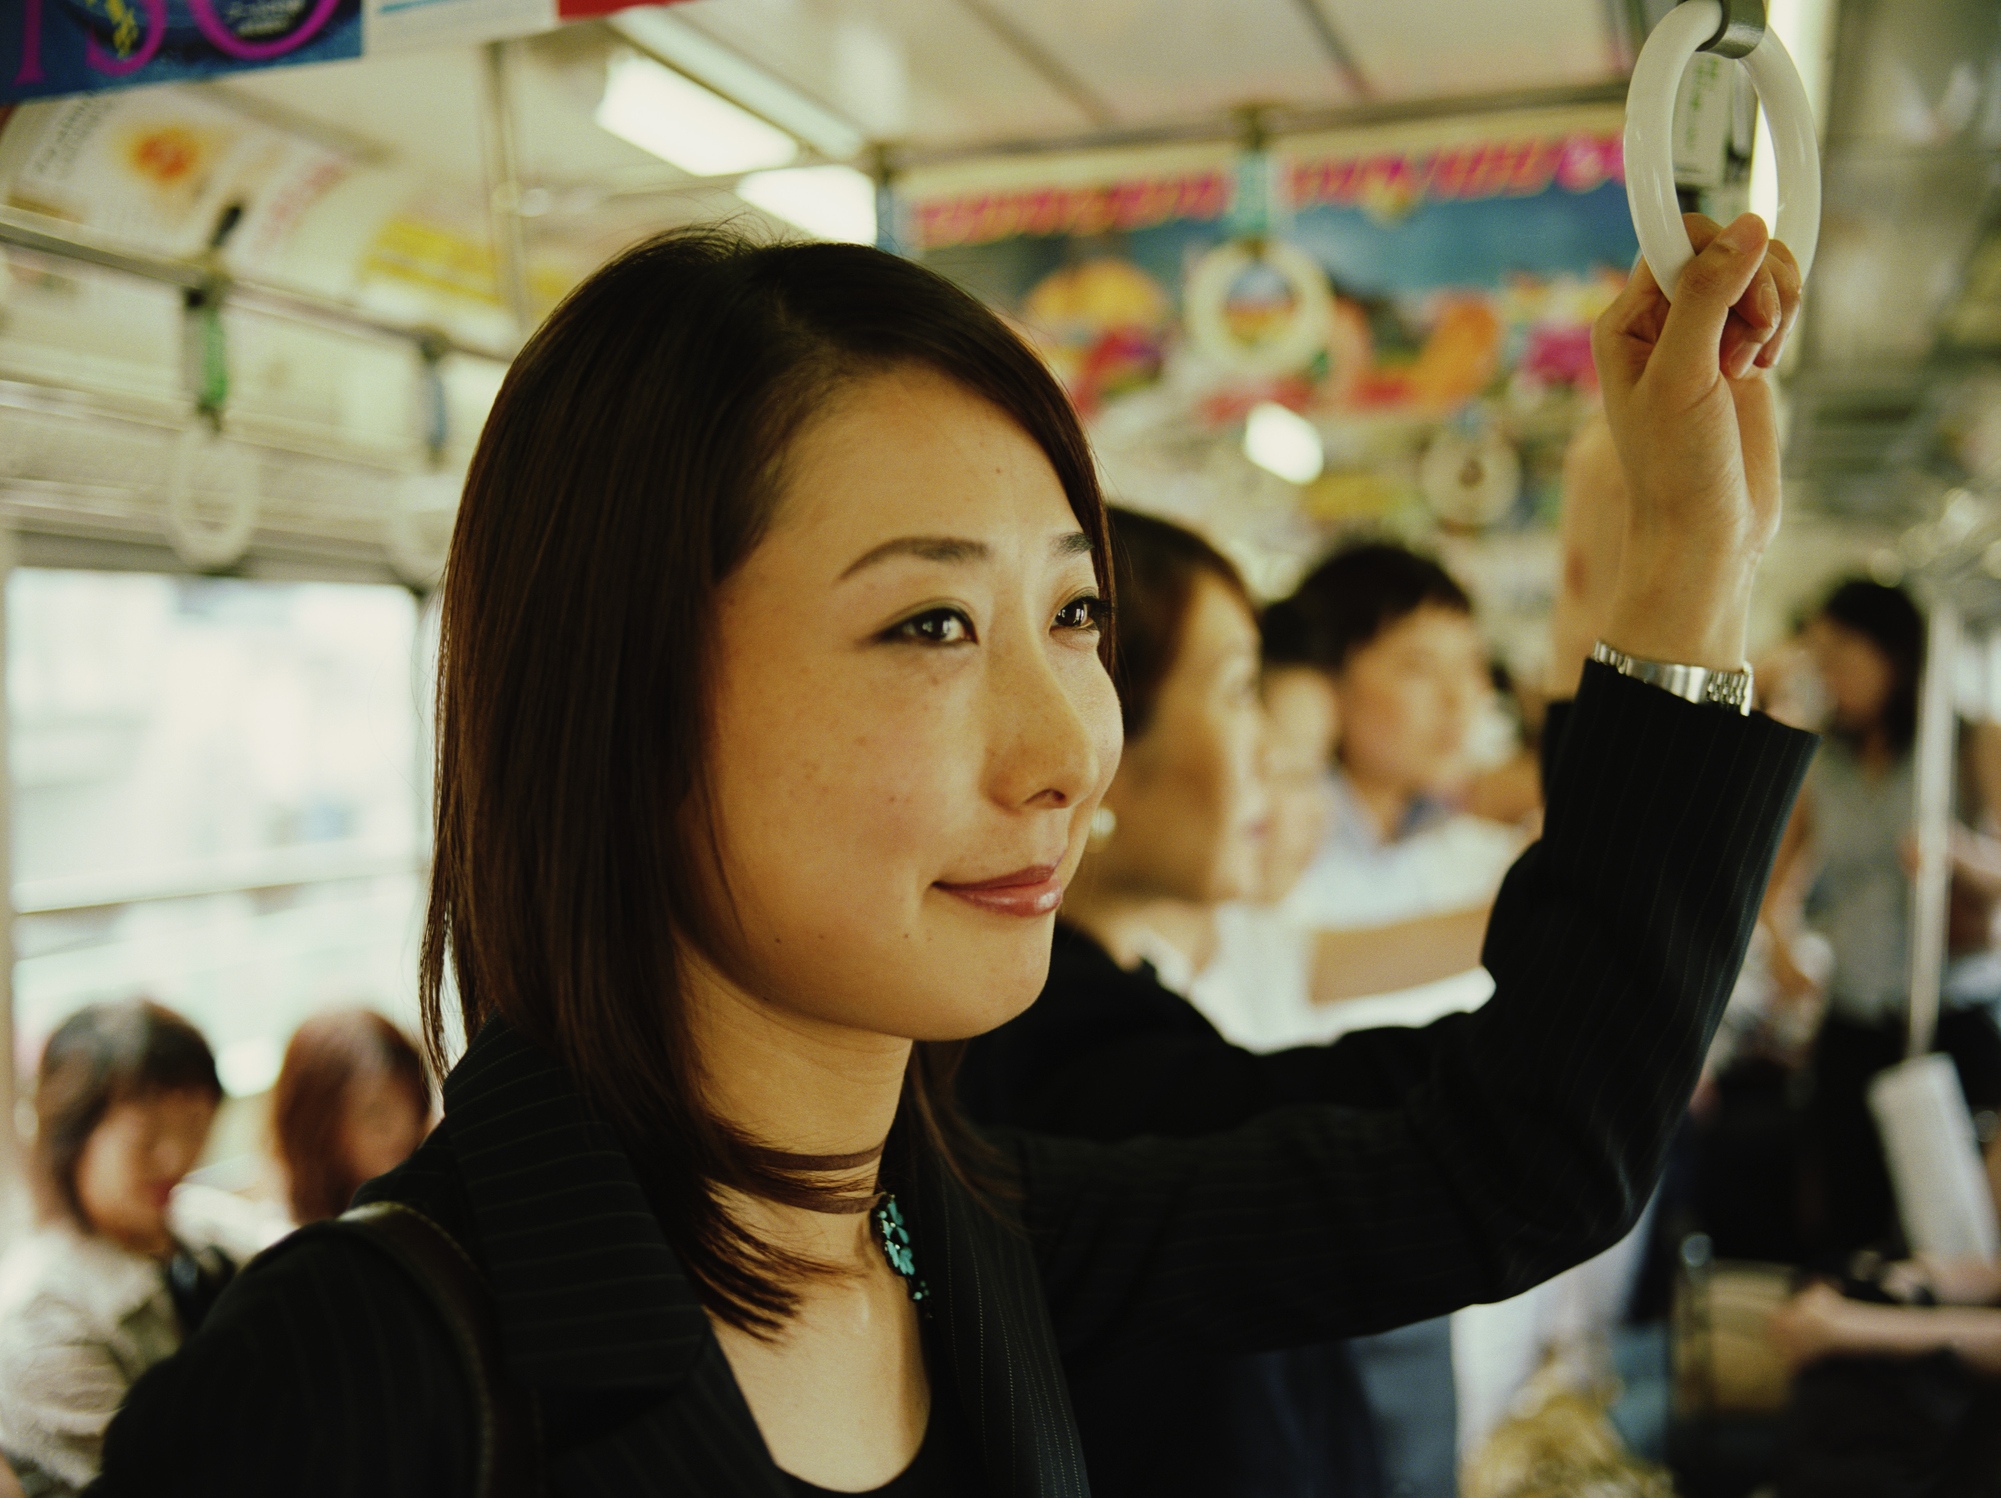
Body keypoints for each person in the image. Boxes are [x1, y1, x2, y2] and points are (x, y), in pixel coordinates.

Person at [97, 211, 1809, 1497]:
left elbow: (1514, 1155)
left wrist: (1689, 567)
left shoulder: (960, 1238)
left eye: (1073, 615)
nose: (1068, 753)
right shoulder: (347, 1385)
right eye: (929, 625)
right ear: (622, 699)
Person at [1764, 579, 2001, 1257]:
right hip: (1853, 1014)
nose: (1829, 676)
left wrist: (1954, 852)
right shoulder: (1823, 759)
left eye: (1843, 656)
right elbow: (1775, 888)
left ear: (1893, 654)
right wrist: (1784, 947)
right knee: (1848, 1209)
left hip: (1948, 1015)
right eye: (1820, 658)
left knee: (1948, 1226)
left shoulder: (1969, 743)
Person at [0, 1001, 246, 1496]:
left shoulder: (196, 1226)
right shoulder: (42, 1317)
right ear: (74, 1136)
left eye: (194, 1127)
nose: (175, 1158)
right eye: (147, 1138)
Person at [272, 1009, 432, 1225]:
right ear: (320, 1128)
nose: (403, 1129)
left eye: (414, 1105)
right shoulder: (290, 1233)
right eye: (376, 1113)